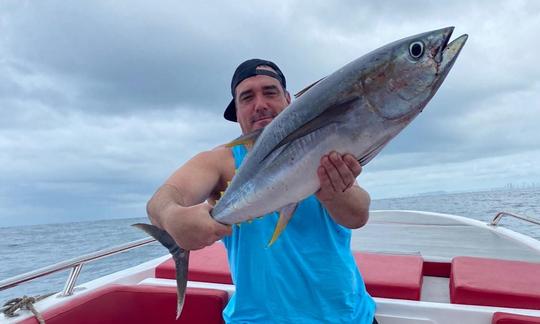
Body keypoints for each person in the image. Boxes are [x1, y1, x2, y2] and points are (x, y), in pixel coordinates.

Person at [147, 59, 376, 323]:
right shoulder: (221, 162)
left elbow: (357, 216)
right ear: (238, 112)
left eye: (270, 92)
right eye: (247, 97)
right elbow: (160, 201)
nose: (260, 104)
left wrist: (334, 192)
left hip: (347, 316)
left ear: (289, 100)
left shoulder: (323, 146)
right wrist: (172, 216)